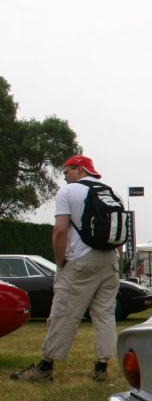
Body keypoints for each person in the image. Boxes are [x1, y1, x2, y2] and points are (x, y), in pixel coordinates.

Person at [11, 155, 121, 382]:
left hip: (80, 259)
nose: (65, 176)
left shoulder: (68, 192)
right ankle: (101, 367)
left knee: (64, 314)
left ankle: (45, 367)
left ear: (79, 170)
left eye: (66, 171)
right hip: (109, 259)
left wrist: (60, 262)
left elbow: (60, 231)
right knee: (105, 314)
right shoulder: (113, 193)